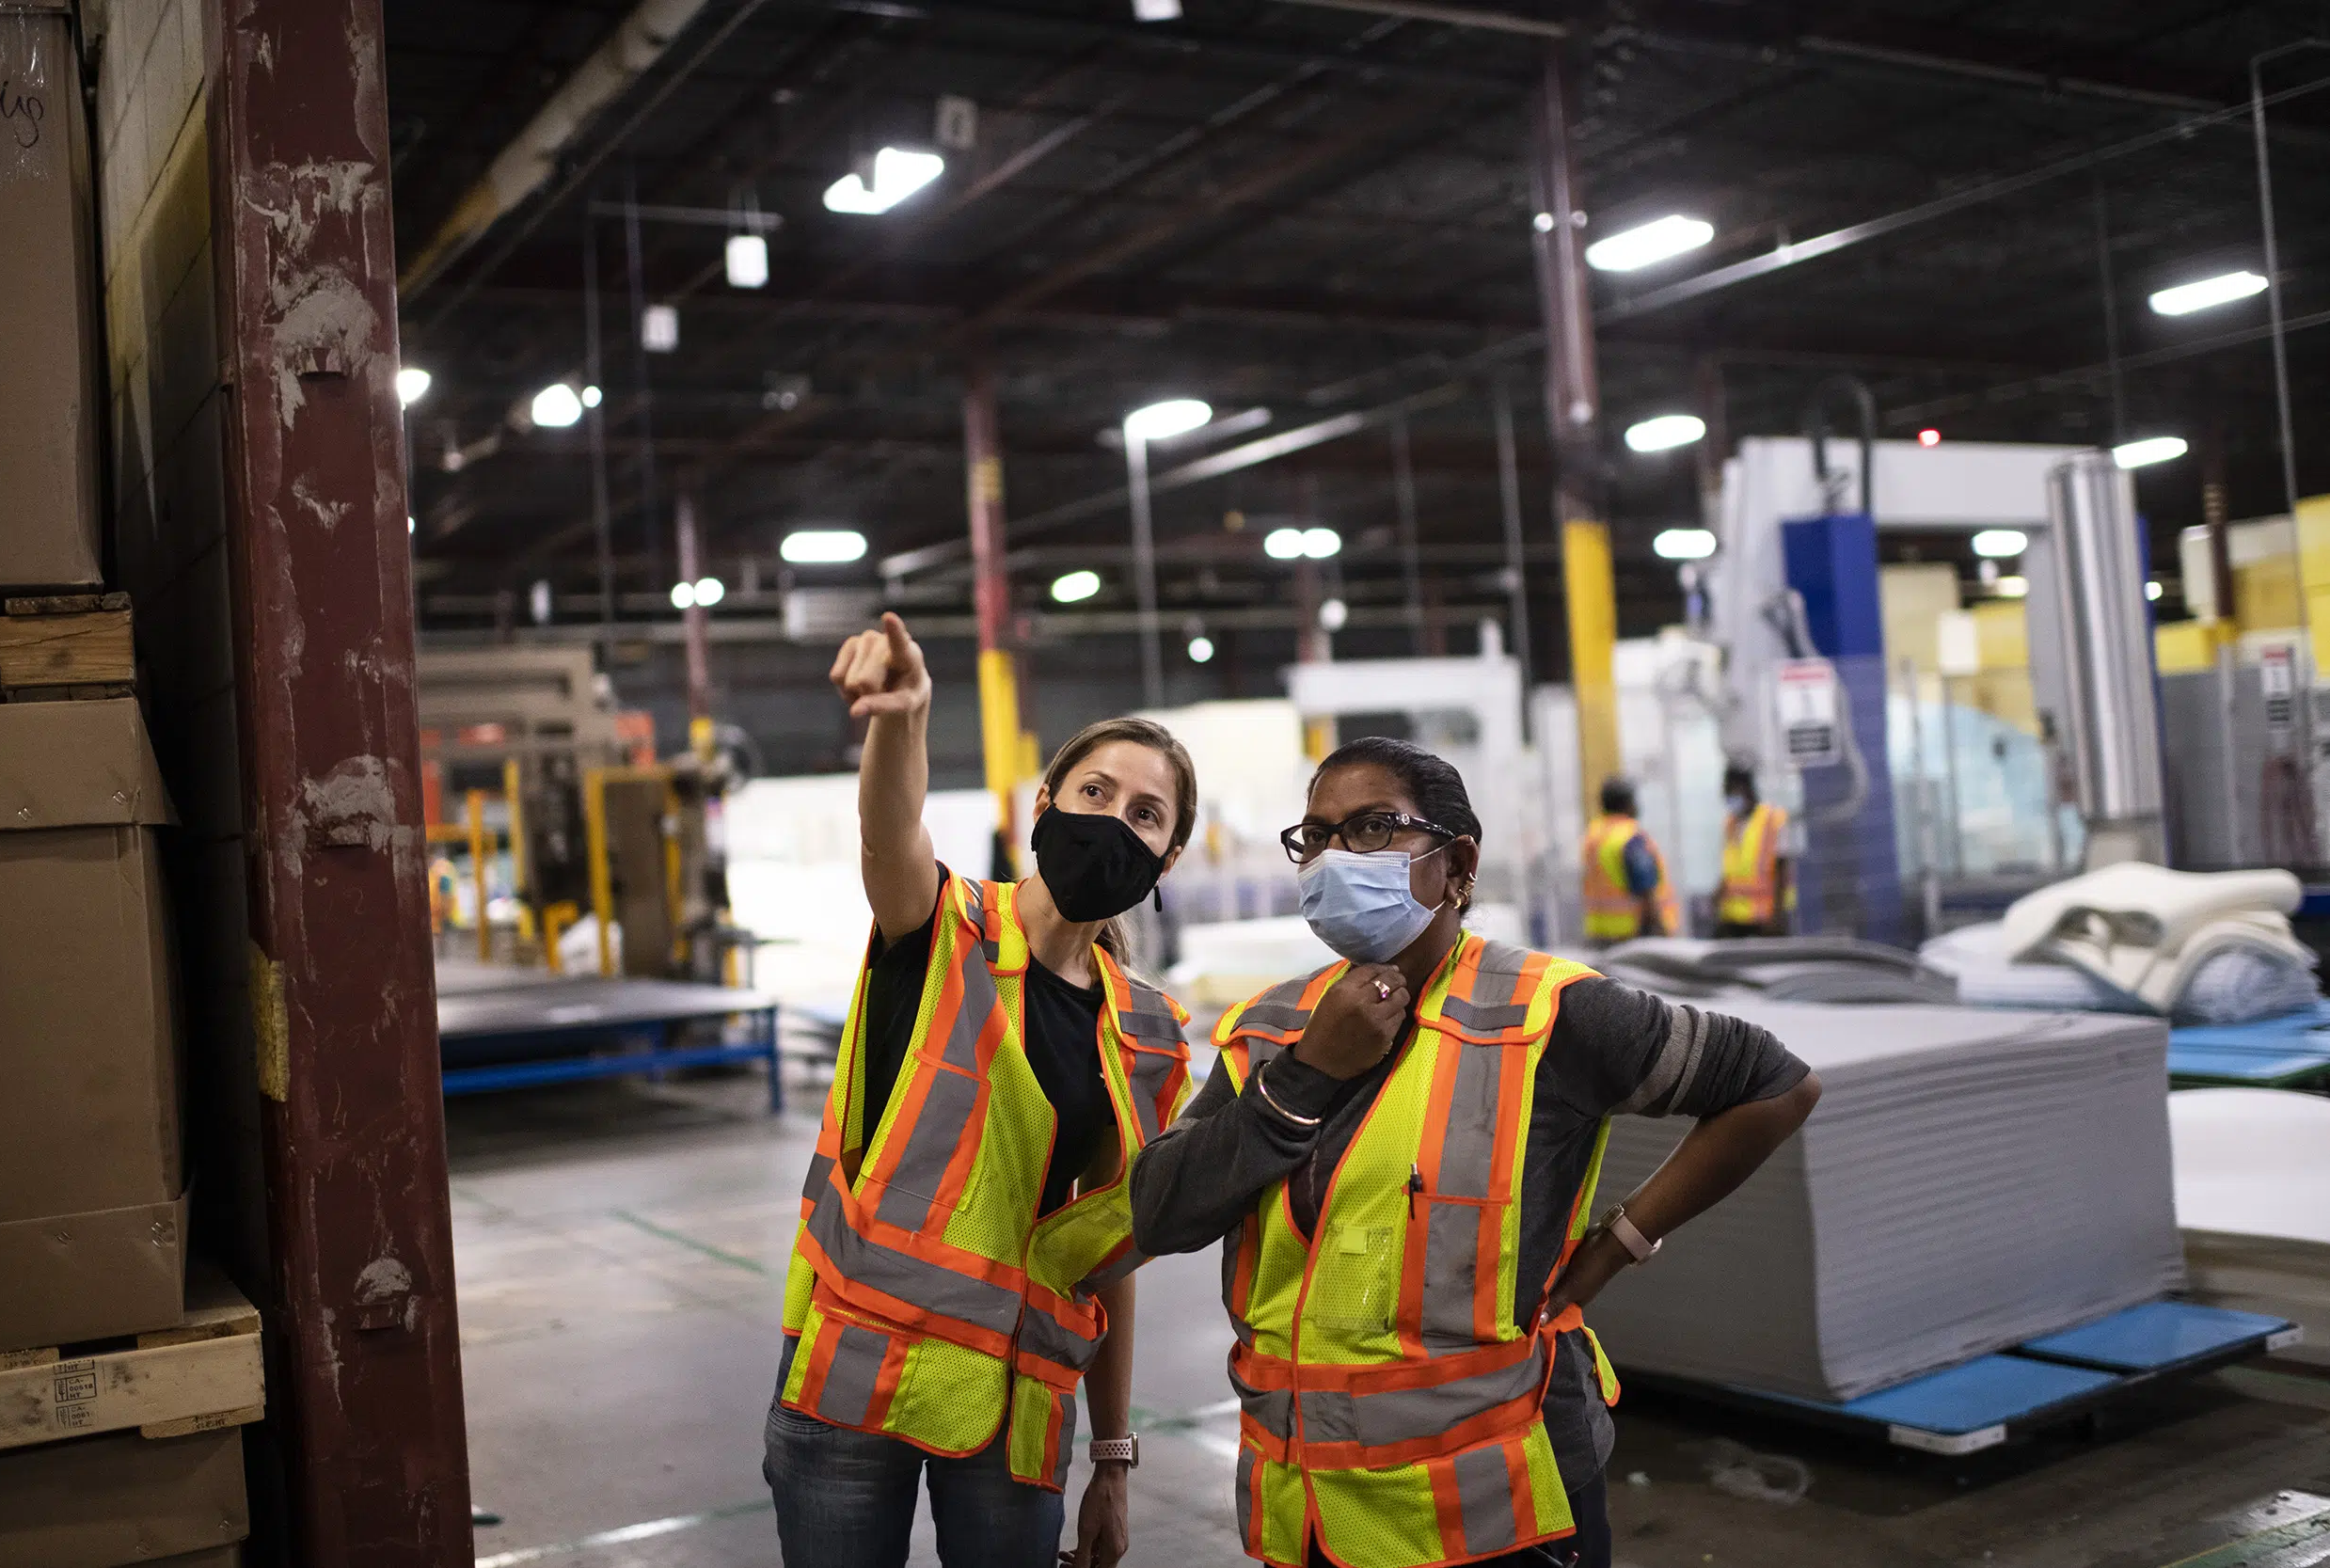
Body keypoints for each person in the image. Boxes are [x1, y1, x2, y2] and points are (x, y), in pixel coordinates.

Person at [1131, 736, 1820, 1568]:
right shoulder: (1273, 1028)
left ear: (1458, 864)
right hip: (1309, 1515)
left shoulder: (1549, 1015)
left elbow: (1777, 1084)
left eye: (1373, 827)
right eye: (1315, 835)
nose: (1334, 856)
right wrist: (1307, 1074)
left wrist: (1617, 1244)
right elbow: (1161, 1211)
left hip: (1500, 1516)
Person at [768, 612, 1198, 1568]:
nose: (1113, 817)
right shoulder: (943, 922)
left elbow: (1107, 1255)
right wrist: (905, 717)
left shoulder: (1150, 1034)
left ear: (1166, 862)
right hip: (853, 1383)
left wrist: (1115, 1456)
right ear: (1043, 801)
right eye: (1096, 789)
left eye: (1144, 812)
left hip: (1017, 1404)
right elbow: (890, 829)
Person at [1579, 777, 1680, 942]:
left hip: (1599, 933)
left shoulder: (1593, 835)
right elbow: (1645, 887)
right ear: (1627, 803)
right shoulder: (1629, 837)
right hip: (1633, 934)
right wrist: (1659, 927)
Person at [1714, 764, 1793, 938]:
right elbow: (1732, 868)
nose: (1726, 796)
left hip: (1765, 919)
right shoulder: (1731, 823)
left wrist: (1776, 916)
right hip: (1733, 917)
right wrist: (1719, 893)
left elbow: (1782, 869)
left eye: (1729, 790)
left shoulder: (1773, 820)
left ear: (1744, 789)